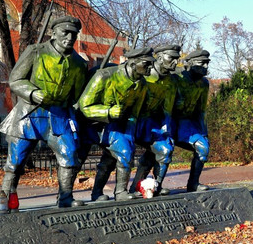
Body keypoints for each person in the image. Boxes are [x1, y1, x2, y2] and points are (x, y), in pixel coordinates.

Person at [0, 16, 88, 212]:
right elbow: (15, 79)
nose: (70, 37)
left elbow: (78, 95)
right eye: (65, 32)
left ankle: (65, 197)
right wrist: (33, 93)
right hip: (30, 114)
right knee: (16, 159)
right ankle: (5, 197)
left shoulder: (79, 64)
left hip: (59, 116)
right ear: (53, 33)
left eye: (74, 33)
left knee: (69, 154)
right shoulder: (35, 52)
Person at [78, 47, 154, 201]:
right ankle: (65, 197)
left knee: (122, 154)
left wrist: (129, 136)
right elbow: (84, 105)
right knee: (76, 161)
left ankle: (118, 193)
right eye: (146, 64)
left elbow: (134, 114)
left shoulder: (142, 84)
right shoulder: (104, 76)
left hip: (117, 126)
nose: (150, 67)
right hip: (90, 124)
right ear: (133, 63)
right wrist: (107, 112)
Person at [129, 44, 181, 196]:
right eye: (171, 58)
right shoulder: (144, 74)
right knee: (118, 155)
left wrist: (167, 132)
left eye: (177, 59)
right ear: (159, 57)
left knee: (165, 149)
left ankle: (153, 187)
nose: (175, 62)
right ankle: (99, 192)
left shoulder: (171, 81)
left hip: (152, 125)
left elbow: (167, 110)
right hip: (132, 122)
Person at [173, 49, 211, 192]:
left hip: (186, 124)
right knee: (160, 151)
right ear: (189, 64)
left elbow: (201, 111)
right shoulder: (176, 78)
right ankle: (151, 186)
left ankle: (193, 183)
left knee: (203, 147)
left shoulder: (203, 83)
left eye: (207, 63)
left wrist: (204, 133)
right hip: (169, 121)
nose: (206, 67)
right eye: (202, 63)